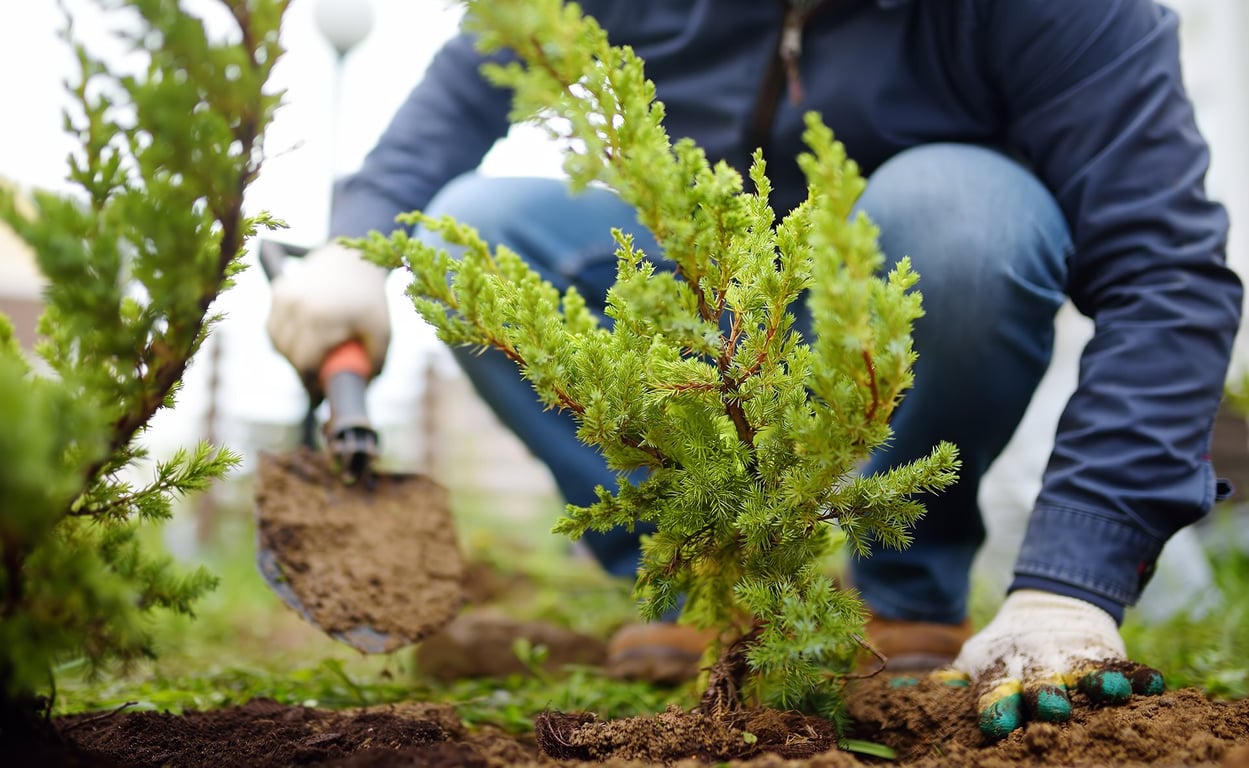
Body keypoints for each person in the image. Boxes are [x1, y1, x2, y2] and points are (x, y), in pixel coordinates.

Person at [267, 0, 1243, 738]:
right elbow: (470, 76)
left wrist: (1070, 581)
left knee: (960, 213)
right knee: (465, 232)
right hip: (710, 309)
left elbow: (1166, 274)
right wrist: (355, 246)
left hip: (911, 303)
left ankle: (903, 591)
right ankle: (703, 582)